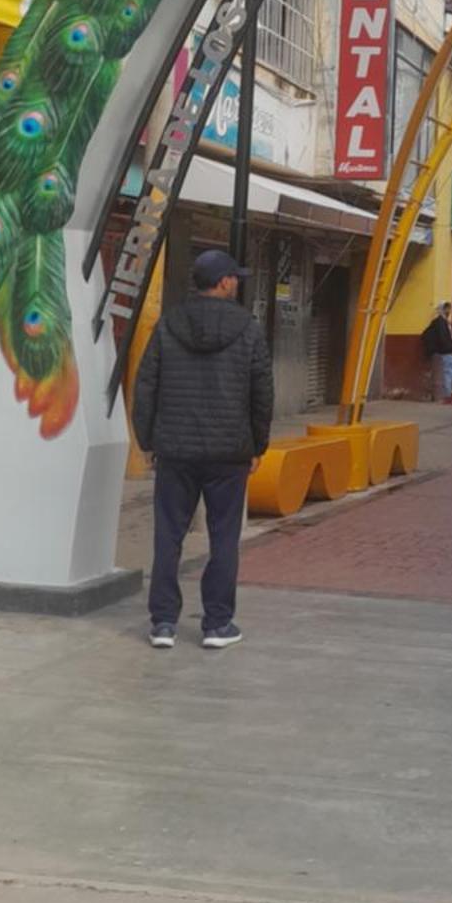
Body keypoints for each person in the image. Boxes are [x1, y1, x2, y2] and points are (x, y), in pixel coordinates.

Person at [133, 248, 274, 652]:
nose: (237, 283)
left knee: (168, 536)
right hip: (229, 452)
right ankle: (217, 623)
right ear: (224, 282)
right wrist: (257, 443)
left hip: (175, 450)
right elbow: (262, 390)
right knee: (224, 537)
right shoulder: (247, 327)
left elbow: (146, 385)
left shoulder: (168, 324)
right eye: (235, 277)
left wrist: (148, 441)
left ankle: (162, 623)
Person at [423, 301, 452, 404]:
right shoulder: (440, 322)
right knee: (449, 374)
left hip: (450, 351)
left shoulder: (445, 321)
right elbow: (442, 337)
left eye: (449, 308)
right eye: (446, 308)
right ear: (442, 310)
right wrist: (447, 347)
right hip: (446, 351)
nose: (449, 311)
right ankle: (449, 396)